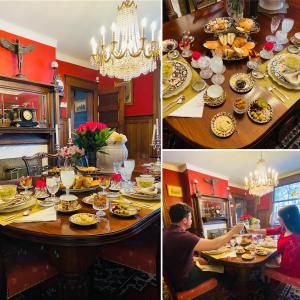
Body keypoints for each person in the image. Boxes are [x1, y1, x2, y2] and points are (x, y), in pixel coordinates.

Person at [163, 203, 244, 291]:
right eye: (190, 218)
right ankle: (234, 291)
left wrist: (195, 258)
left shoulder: (167, 233)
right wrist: (233, 231)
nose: (191, 220)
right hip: (184, 281)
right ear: (184, 220)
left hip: (175, 278)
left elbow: (177, 254)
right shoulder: (183, 236)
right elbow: (215, 245)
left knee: (213, 264)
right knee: (222, 270)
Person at [248, 205, 300, 277]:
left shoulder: (295, 240)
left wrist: (275, 260)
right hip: (286, 262)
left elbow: (287, 265)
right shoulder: (284, 228)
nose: (278, 218)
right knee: (267, 259)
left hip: (291, 271)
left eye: (280, 216)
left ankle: (263, 283)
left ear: (287, 217)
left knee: (261, 265)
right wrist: (254, 231)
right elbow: (271, 231)